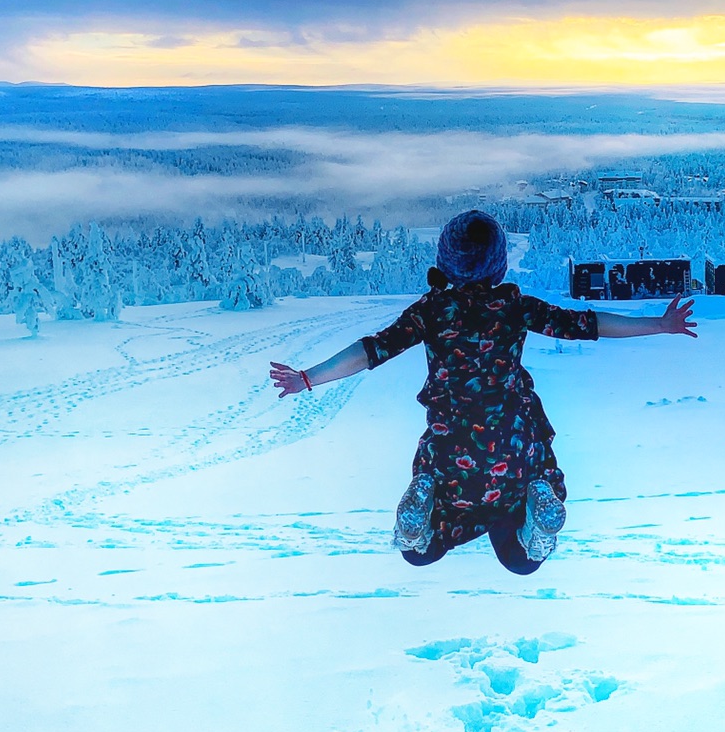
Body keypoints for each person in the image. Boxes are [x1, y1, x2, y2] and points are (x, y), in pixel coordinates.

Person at [270, 210, 696, 573]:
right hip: (514, 449)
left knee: (420, 553)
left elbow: (370, 351)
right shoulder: (514, 306)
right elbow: (586, 325)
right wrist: (658, 324)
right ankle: (533, 515)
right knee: (519, 559)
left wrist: (307, 377)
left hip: (452, 453)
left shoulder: (431, 311)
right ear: (498, 264)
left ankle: (421, 520)